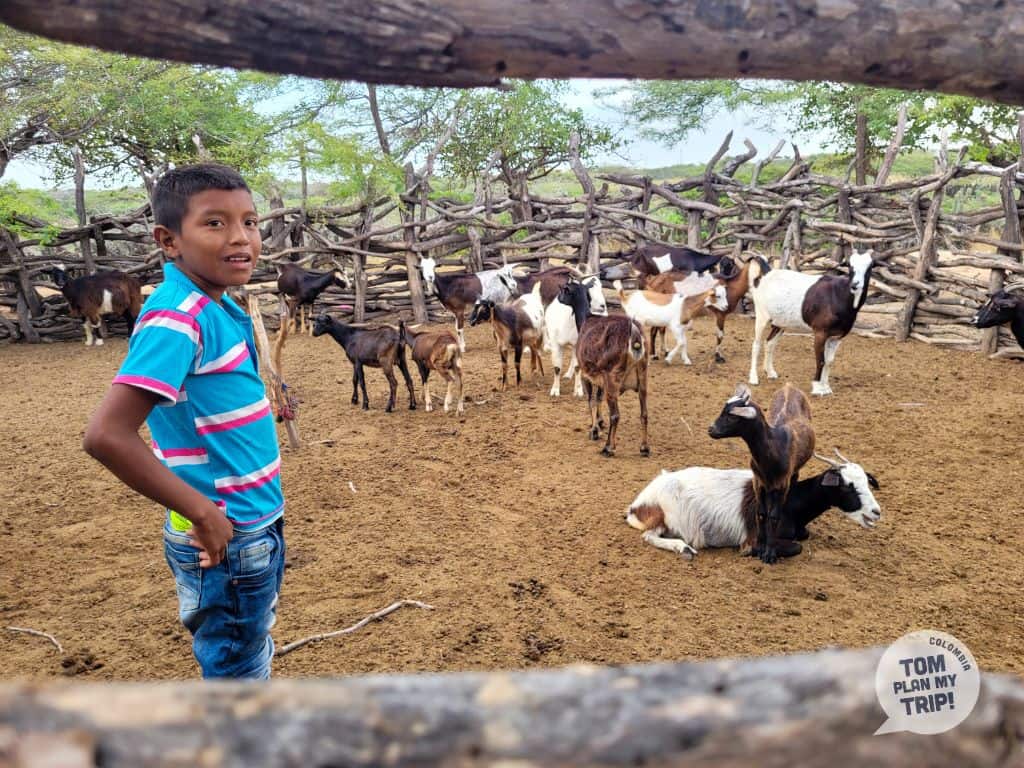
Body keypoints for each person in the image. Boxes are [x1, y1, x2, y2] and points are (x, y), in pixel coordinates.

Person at [83, 163, 285, 679]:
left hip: (248, 524)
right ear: (168, 240)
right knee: (236, 672)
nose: (241, 237)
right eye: (215, 223)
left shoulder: (212, 305)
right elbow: (106, 435)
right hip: (225, 533)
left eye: (251, 221)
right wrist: (203, 512)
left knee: (247, 647)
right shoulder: (178, 317)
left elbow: (211, 398)